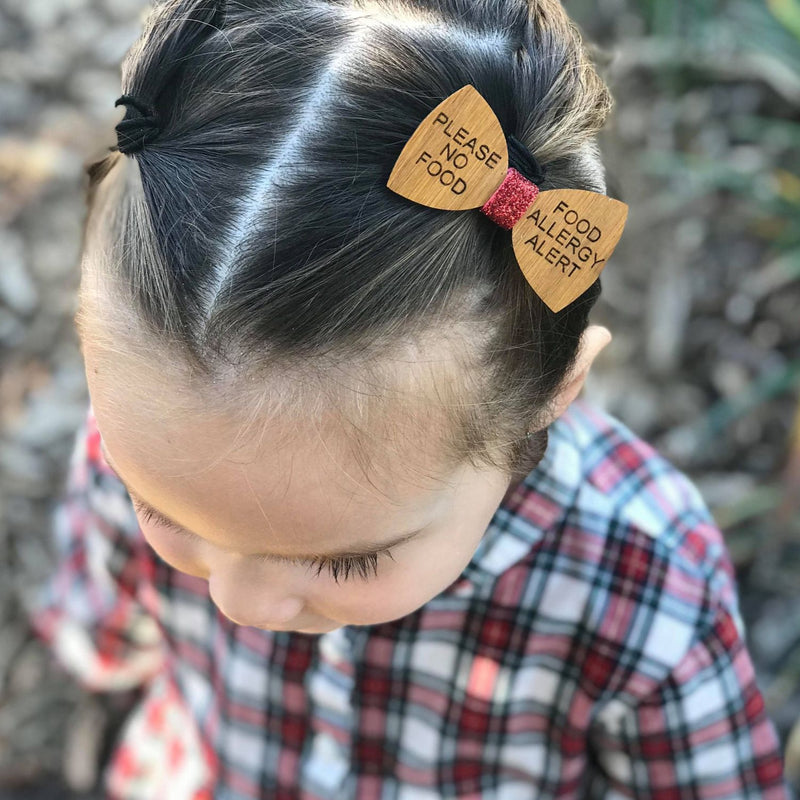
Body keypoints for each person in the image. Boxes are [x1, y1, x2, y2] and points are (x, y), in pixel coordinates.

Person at [23, 0, 792, 798]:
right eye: (165, 514)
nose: (235, 603)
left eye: (344, 560)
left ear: (548, 400)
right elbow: (103, 625)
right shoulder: (152, 445)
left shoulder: (648, 588)